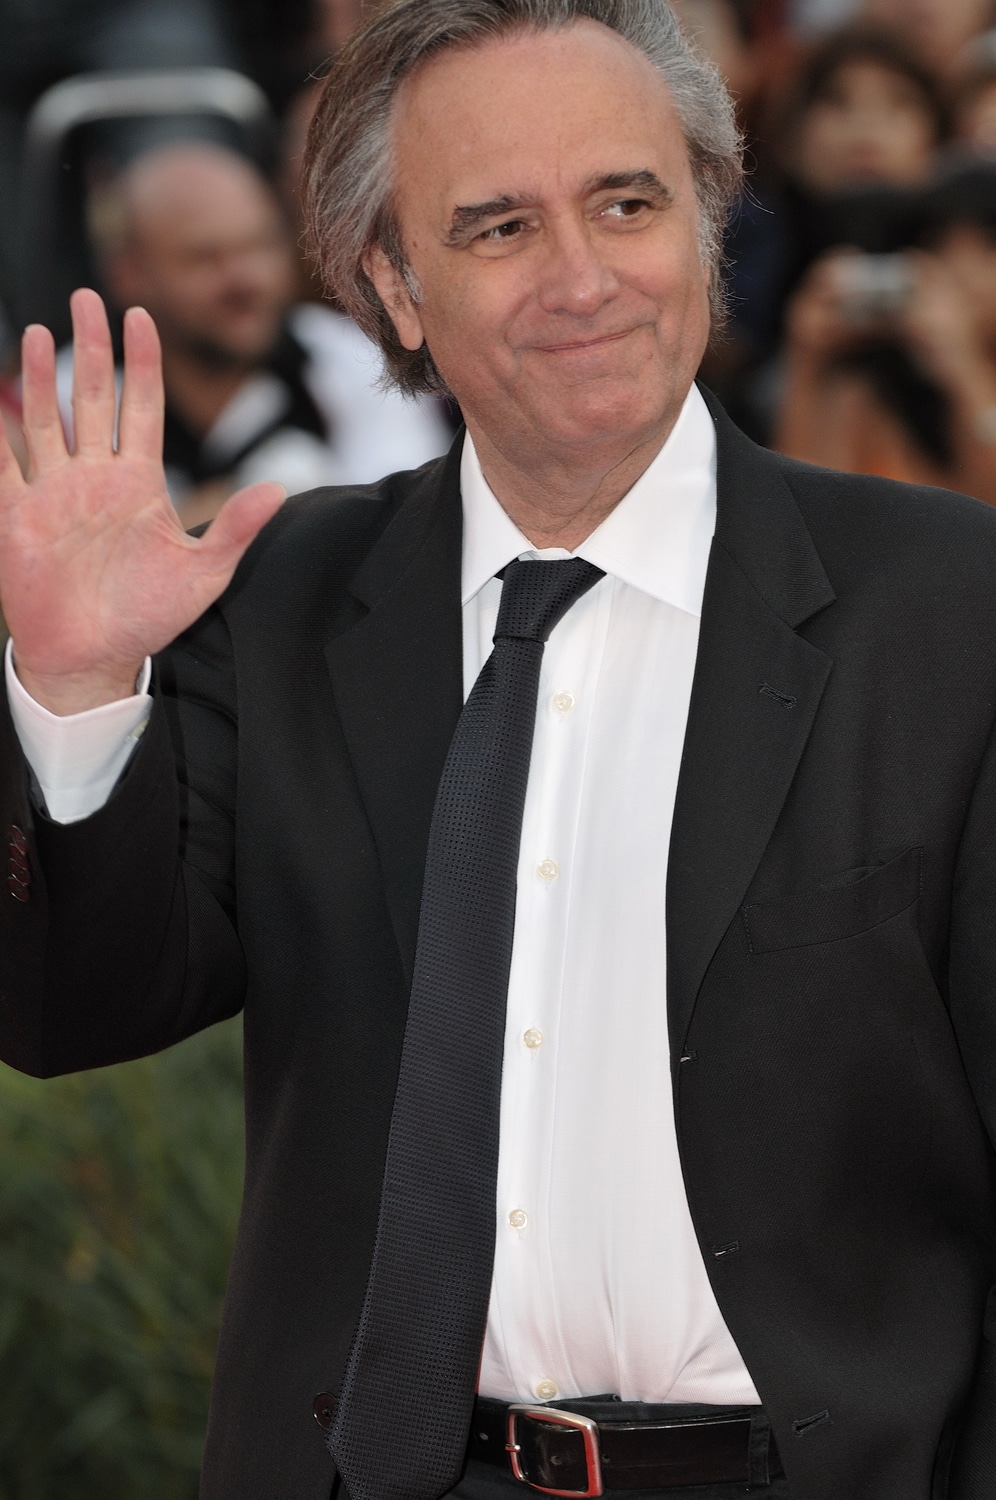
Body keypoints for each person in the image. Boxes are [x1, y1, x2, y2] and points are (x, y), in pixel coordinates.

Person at [2, 3, 996, 1499]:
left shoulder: (951, 610)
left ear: (708, 226)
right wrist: (79, 683)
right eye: (501, 227)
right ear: (392, 287)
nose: (583, 278)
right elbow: (74, 1008)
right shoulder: (283, 600)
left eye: (628, 204)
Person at [69, 140, 451, 522]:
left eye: (259, 246)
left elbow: (409, 523)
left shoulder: (356, 361)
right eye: (204, 257)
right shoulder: (69, 394)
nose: (244, 279)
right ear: (127, 274)